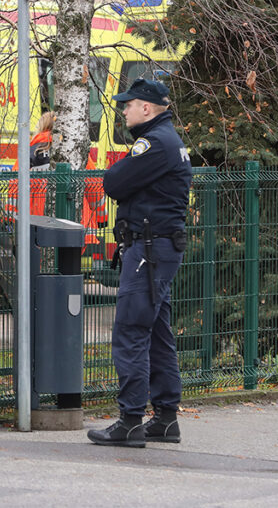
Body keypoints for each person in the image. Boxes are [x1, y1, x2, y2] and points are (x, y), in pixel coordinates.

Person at [87, 78, 192, 448]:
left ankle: (130, 420)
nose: (124, 110)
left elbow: (114, 182)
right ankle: (165, 418)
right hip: (158, 248)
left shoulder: (155, 144)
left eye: (128, 105)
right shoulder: (168, 141)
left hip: (149, 251)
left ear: (146, 108)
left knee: (131, 330)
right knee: (158, 333)